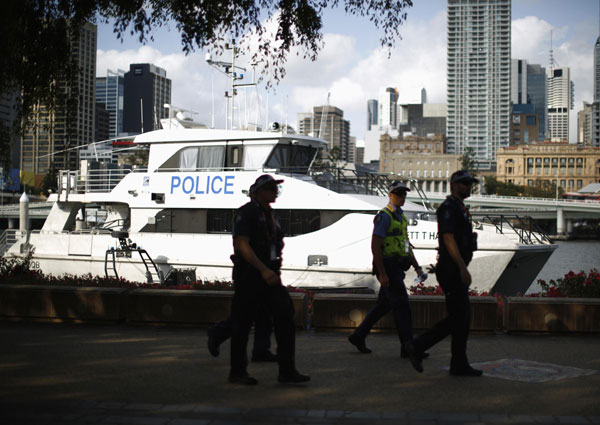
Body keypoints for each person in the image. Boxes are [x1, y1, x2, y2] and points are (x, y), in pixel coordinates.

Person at [228, 174, 310, 385]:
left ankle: (287, 370)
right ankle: (237, 372)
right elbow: (242, 244)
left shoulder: (270, 214)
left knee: (285, 316)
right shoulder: (247, 212)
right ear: (258, 192)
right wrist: (263, 270)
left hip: (270, 274)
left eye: (276, 189)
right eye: (271, 189)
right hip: (251, 275)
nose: (275, 192)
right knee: (242, 324)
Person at [405, 170, 483, 377]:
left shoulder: (460, 208)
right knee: (459, 316)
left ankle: (459, 363)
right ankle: (418, 345)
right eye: (464, 183)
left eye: (470, 183)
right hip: (452, 270)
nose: (468, 186)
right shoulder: (448, 208)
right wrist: (462, 267)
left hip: (453, 268)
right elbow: (448, 238)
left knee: (462, 318)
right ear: (453, 185)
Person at [348, 181, 428, 359]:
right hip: (387, 266)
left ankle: (358, 336)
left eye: (404, 194)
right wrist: (382, 273)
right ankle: (408, 347)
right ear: (390, 195)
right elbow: (375, 246)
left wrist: (416, 266)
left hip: (397, 266)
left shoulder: (402, 218)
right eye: (399, 193)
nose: (402, 197)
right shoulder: (384, 217)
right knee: (402, 306)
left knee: (383, 305)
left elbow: (406, 245)